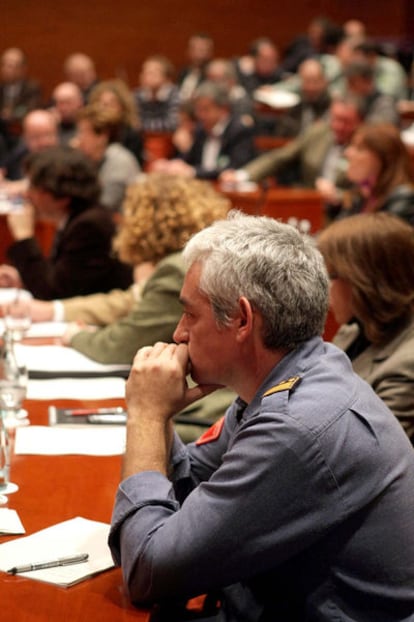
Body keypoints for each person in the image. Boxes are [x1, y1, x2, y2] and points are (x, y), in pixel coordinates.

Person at [108, 211, 414, 621]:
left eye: (190, 314)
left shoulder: (297, 426)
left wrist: (147, 415)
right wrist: (159, 413)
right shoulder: (296, 372)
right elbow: (191, 487)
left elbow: (147, 570)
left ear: (241, 318)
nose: (179, 333)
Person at [318, 212, 414, 441]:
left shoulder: (406, 366)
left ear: (364, 281)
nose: (324, 288)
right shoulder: (354, 328)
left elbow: (364, 451)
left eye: (331, 276)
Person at [0, 145, 132, 299]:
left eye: (34, 187)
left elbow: (54, 293)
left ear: (61, 197)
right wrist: (23, 277)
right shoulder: (80, 217)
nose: (27, 194)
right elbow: (62, 278)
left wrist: (24, 236)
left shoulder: (90, 226)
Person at [220, 94, 362, 189]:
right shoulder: (317, 133)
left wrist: (337, 195)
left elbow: (365, 191)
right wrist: (242, 175)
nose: (339, 126)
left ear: (359, 121)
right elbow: (280, 157)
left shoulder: (365, 146)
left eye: (346, 122)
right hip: (310, 203)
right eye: (336, 119)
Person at [153, 81, 256, 180]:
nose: (200, 115)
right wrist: (170, 165)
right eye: (198, 109)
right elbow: (189, 160)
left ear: (224, 109)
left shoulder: (240, 130)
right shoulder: (200, 130)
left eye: (206, 109)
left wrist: (194, 172)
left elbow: (233, 168)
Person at [323, 123, 414, 224]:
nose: (347, 152)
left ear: (383, 158)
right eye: (351, 145)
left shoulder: (402, 199)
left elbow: (375, 238)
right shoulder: (360, 196)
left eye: (359, 148)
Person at [74, 104, 140, 212]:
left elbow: (105, 205)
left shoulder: (120, 161)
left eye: (83, 132)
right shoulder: (90, 159)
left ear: (102, 136)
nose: (78, 139)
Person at [88, 79, 143, 166]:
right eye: (102, 104)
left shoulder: (131, 134)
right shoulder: (89, 131)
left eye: (111, 103)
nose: (106, 109)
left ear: (122, 107)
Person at [2, 108, 58, 182]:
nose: (43, 142)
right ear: (25, 138)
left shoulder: (65, 160)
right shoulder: (20, 153)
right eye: (36, 136)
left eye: (48, 135)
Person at [134, 55, 180, 133]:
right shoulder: (138, 94)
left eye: (152, 72)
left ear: (166, 77)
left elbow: (172, 123)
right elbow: (133, 122)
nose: (146, 76)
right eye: (144, 72)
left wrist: (142, 126)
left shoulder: (175, 94)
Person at [0, 47, 42, 131]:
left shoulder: (32, 88)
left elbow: (30, 109)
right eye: (3, 65)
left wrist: (12, 114)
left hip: (23, 130)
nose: (6, 70)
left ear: (22, 69)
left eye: (11, 66)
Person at [178, 33, 215, 101]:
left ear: (210, 52)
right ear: (189, 51)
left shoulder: (212, 75)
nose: (198, 54)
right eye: (194, 49)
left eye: (202, 50)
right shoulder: (183, 72)